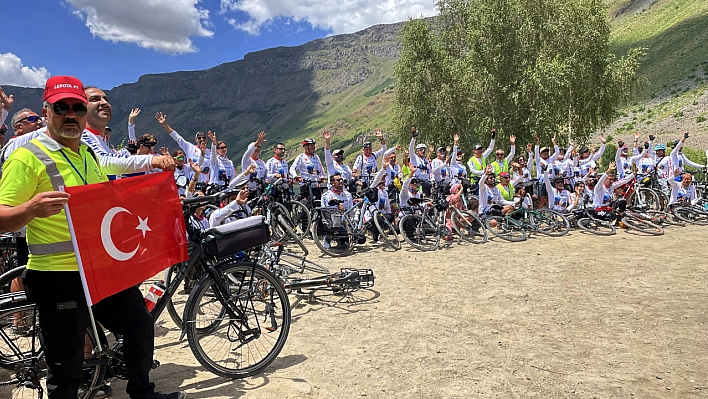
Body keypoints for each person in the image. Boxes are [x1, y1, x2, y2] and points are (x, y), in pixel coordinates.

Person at [0, 76, 183, 399]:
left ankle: (143, 392)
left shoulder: (88, 154)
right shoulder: (27, 157)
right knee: (66, 365)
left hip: (101, 269)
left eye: (77, 108)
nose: (70, 114)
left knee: (140, 326)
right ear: (47, 111)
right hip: (58, 274)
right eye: (61, 108)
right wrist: (29, 209)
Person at [156, 112, 209, 183]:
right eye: (199, 138)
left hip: (205, 183)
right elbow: (178, 138)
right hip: (191, 182)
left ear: (207, 139)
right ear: (196, 139)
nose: (202, 139)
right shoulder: (190, 147)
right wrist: (165, 125)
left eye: (204, 138)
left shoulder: (211, 152)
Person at [290, 138, 326, 204]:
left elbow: (321, 169)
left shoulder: (316, 157)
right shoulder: (301, 157)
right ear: (305, 147)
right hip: (305, 185)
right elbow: (292, 168)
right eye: (311, 145)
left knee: (318, 205)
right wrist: (296, 176)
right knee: (306, 205)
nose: (313, 147)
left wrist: (322, 177)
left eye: (313, 145)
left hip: (316, 185)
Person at [407, 127, 432, 195]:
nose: (423, 151)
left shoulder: (426, 160)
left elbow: (430, 172)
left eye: (424, 149)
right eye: (421, 149)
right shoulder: (414, 157)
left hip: (427, 182)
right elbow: (410, 148)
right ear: (417, 151)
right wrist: (414, 138)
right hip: (417, 181)